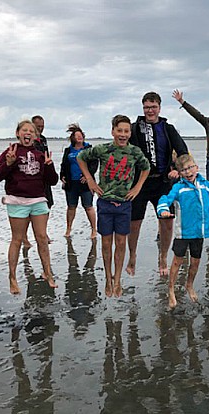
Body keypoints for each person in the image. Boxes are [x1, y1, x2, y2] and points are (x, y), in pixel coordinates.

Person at [77, 114, 150, 297]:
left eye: (126, 131)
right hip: (105, 203)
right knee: (106, 243)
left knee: (121, 242)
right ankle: (108, 278)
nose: (123, 134)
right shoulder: (103, 149)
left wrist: (138, 187)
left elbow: (146, 167)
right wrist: (90, 180)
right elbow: (81, 157)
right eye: (119, 131)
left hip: (125, 204)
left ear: (129, 133)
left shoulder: (134, 152)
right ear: (113, 131)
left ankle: (117, 279)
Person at [157, 154, 209, 308]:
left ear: (196, 167)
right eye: (183, 170)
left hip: (199, 233)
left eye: (190, 167)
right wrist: (162, 210)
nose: (188, 172)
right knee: (177, 262)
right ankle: (171, 289)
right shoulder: (178, 188)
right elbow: (165, 199)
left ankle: (189, 285)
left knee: (195, 263)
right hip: (183, 233)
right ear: (179, 173)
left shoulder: (207, 186)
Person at [0, 120, 59, 293]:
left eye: (31, 131)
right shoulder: (10, 152)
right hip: (17, 201)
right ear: (18, 133)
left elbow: (52, 181)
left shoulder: (39, 154)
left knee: (42, 237)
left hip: (38, 200)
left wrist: (49, 166)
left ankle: (48, 272)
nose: (28, 133)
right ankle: (12, 278)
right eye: (24, 130)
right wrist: (9, 163)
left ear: (36, 136)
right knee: (17, 239)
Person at [128, 91, 189, 277]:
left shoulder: (167, 128)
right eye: (146, 107)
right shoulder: (134, 128)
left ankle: (163, 257)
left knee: (166, 222)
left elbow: (182, 151)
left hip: (162, 183)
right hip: (140, 183)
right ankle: (132, 256)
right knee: (134, 223)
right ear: (143, 108)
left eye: (153, 107)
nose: (150, 111)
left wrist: (177, 170)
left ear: (159, 108)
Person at [59, 123, 97, 239]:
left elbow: (94, 164)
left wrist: (88, 176)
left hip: (85, 183)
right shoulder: (68, 150)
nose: (79, 137)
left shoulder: (89, 149)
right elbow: (64, 165)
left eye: (81, 135)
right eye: (77, 136)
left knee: (88, 206)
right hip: (71, 183)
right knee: (71, 207)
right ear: (73, 138)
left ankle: (94, 230)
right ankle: (68, 229)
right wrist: (62, 176)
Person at [22, 114, 53, 248]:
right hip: (32, 179)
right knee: (28, 211)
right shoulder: (29, 141)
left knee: (47, 205)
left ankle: (43, 233)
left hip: (44, 178)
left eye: (42, 126)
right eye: (38, 126)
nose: (40, 129)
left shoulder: (44, 139)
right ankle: (24, 237)